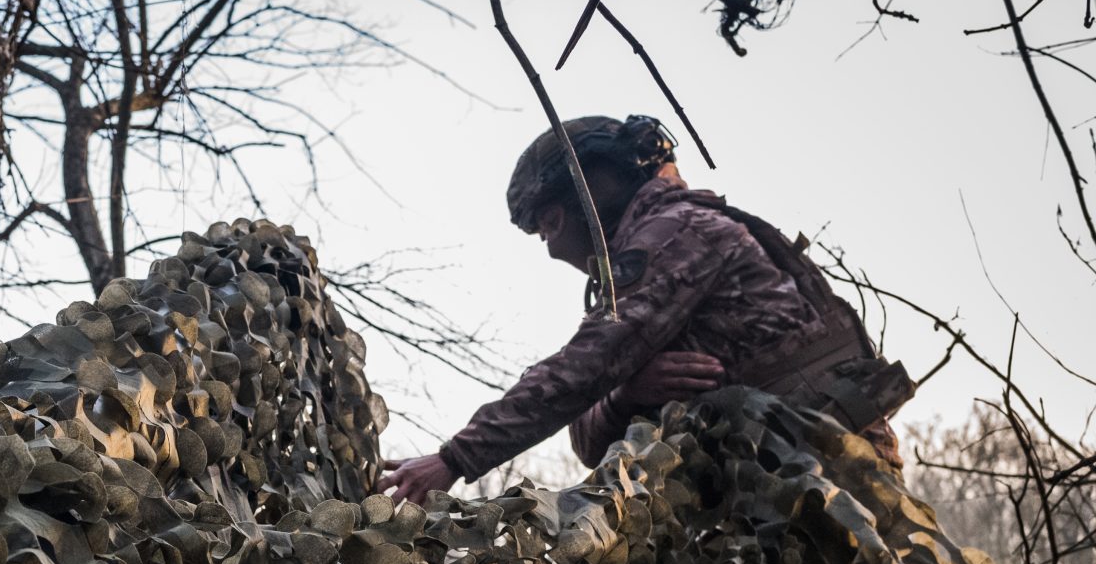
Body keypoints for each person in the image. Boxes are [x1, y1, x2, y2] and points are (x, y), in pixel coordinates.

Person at [380, 115, 911, 503]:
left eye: (549, 223)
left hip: (836, 478)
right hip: (781, 484)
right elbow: (588, 432)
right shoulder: (653, 258)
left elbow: (582, 367)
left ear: (591, 195)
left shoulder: (679, 232)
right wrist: (624, 397)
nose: (549, 245)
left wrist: (454, 459)